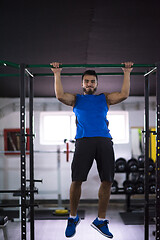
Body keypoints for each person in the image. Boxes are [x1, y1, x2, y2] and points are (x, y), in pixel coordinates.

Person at [51, 61, 133, 238]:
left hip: (104, 140)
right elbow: (59, 95)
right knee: (77, 180)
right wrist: (57, 74)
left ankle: (100, 220)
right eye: (86, 81)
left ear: (96, 84)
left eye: (92, 81)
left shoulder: (104, 98)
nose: (89, 84)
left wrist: (126, 72)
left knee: (108, 180)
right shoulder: (76, 99)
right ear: (82, 84)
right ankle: (73, 217)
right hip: (83, 141)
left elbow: (124, 94)